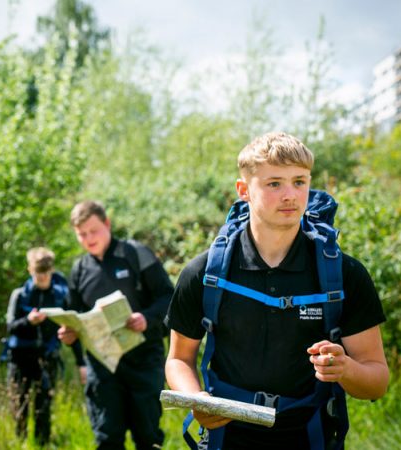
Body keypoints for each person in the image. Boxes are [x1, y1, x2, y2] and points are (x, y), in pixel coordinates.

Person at [164, 132, 389, 450]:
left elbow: (377, 382)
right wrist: (196, 399)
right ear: (244, 191)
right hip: (227, 437)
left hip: (309, 435)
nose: (290, 195)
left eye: (299, 181)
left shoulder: (344, 275)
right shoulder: (204, 273)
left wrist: (346, 369)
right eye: (274, 183)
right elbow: (178, 359)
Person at [58, 201, 174, 450]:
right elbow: (75, 317)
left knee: (148, 437)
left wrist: (146, 318)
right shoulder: (79, 269)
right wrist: (70, 336)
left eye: (93, 231)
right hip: (102, 368)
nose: (88, 238)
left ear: (107, 224)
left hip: (144, 361)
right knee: (107, 438)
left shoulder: (136, 254)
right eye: (82, 234)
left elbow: (168, 297)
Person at [6, 246, 86, 446]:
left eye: (45, 271)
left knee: (43, 407)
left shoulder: (61, 296)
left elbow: (71, 329)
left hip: (47, 357)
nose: (41, 276)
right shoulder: (19, 295)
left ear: (51, 269)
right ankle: (22, 443)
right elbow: (10, 327)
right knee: (19, 406)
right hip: (20, 358)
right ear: (29, 270)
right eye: (37, 272)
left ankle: (43, 444)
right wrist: (29, 321)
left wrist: (80, 363)